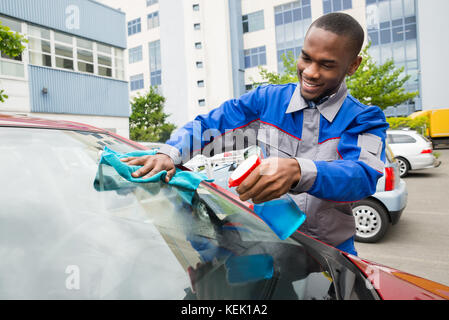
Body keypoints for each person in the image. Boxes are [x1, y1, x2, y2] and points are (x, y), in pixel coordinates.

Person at [121, 13, 389, 256]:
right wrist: (169, 153)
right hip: (272, 244)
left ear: (353, 65)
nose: (309, 72)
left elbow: (363, 175)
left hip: (332, 254)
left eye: (326, 65)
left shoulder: (364, 118)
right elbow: (211, 125)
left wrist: (298, 171)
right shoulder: (267, 100)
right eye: (306, 58)